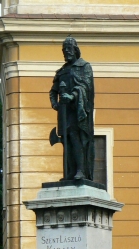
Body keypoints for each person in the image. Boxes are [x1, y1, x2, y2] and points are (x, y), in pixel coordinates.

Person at [49, 37, 95, 181]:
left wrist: (73, 96)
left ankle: (81, 170)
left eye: (68, 49)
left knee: (76, 139)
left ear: (75, 50)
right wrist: (54, 103)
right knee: (66, 140)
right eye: (64, 50)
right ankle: (70, 172)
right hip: (64, 113)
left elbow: (86, 87)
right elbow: (53, 91)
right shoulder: (61, 71)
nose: (66, 53)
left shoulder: (84, 66)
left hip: (78, 112)